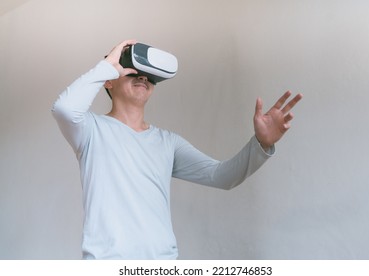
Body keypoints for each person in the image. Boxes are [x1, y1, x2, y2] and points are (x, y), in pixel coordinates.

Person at [52, 39, 303, 259]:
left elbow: (222, 176)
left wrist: (262, 143)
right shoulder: (90, 130)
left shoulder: (167, 142)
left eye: (149, 75)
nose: (143, 77)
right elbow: (65, 108)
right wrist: (109, 63)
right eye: (132, 71)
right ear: (109, 81)